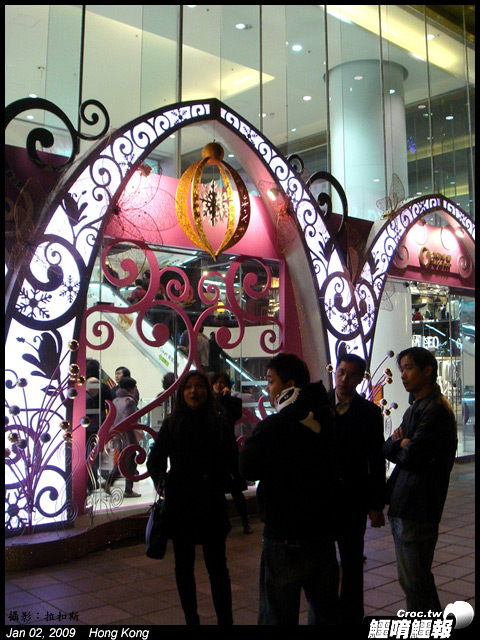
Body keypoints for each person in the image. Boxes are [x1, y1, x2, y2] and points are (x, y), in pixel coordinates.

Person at [239, 353, 340, 626]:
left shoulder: (275, 426)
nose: (268, 389)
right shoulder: (328, 420)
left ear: (289, 385)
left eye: (271, 381)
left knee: (277, 615)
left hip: (283, 536)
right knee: (326, 614)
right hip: (321, 534)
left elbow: (247, 468)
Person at [147, 370, 238, 626]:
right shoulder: (172, 423)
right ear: (181, 392)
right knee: (184, 567)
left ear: (208, 392)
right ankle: (191, 620)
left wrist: (221, 480)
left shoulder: (218, 422)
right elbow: (155, 461)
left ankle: (225, 621)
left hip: (211, 503)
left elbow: (232, 459)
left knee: (217, 568)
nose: (194, 392)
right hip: (181, 505)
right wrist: (164, 483)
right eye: (188, 387)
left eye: (199, 386)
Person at [383, 347, 457, 614]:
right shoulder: (417, 407)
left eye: (408, 368)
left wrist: (401, 444)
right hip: (407, 502)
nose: (403, 375)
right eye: (401, 369)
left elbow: (413, 455)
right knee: (417, 580)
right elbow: (389, 447)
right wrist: (399, 443)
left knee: (414, 582)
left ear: (427, 371)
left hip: (418, 505)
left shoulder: (435, 410)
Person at [328, 353, 386, 624]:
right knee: (323, 563)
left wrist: (376, 504)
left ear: (361, 378)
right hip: (322, 499)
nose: (344, 379)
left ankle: (352, 617)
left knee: (352, 562)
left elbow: (376, 461)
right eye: (341, 372)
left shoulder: (369, 413)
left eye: (351, 375)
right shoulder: (317, 406)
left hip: (353, 499)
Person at [212, 372, 253, 534]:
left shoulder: (233, 401)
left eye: (222, 382)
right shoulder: (208, 403)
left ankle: (245, 520)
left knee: (236, 488)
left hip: (228, 449)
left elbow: (232, 416)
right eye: (216, 382)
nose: (219, 385)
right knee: (217, 488)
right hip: (215, 449)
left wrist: (226, 398)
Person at [105, 376, 141, 498]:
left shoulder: (116, 400)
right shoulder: (129, 401)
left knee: (121, 461)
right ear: (131, 388)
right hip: (128, 436)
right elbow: (132, 419)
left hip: (118, 435)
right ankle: (128, 490)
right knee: (130, 462)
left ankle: (109, 482)